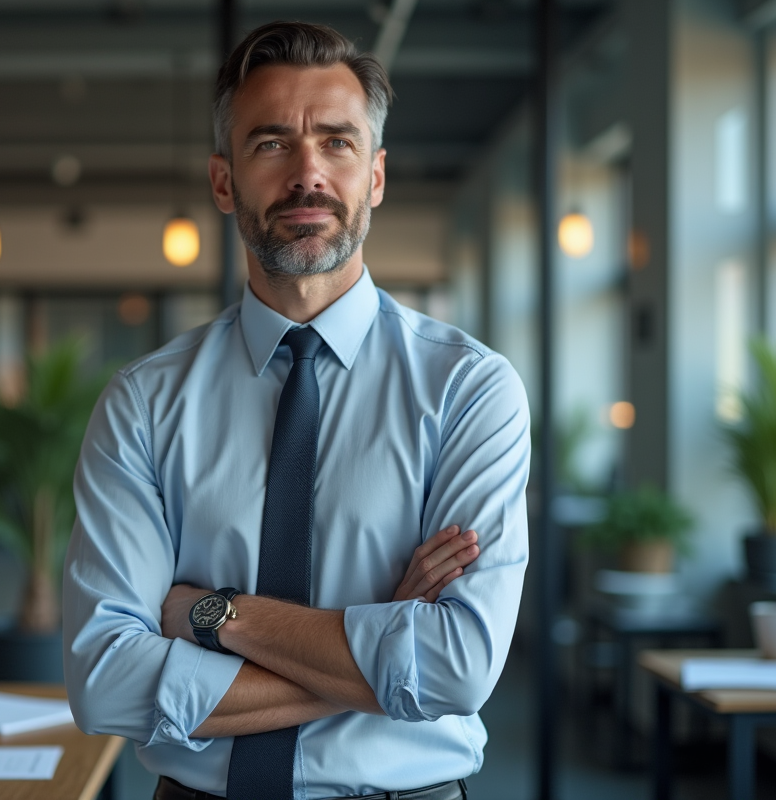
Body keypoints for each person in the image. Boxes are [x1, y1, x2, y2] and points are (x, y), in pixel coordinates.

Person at [63, 21, 529, 800]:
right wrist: (382, 640)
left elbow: (457, 668)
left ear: (375, 176)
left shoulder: (469, 390)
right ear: (224, 182)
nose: (307, 173)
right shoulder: (144, 402)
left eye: (337, 143)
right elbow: (105, 681)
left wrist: (214, 615)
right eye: (272, 143)